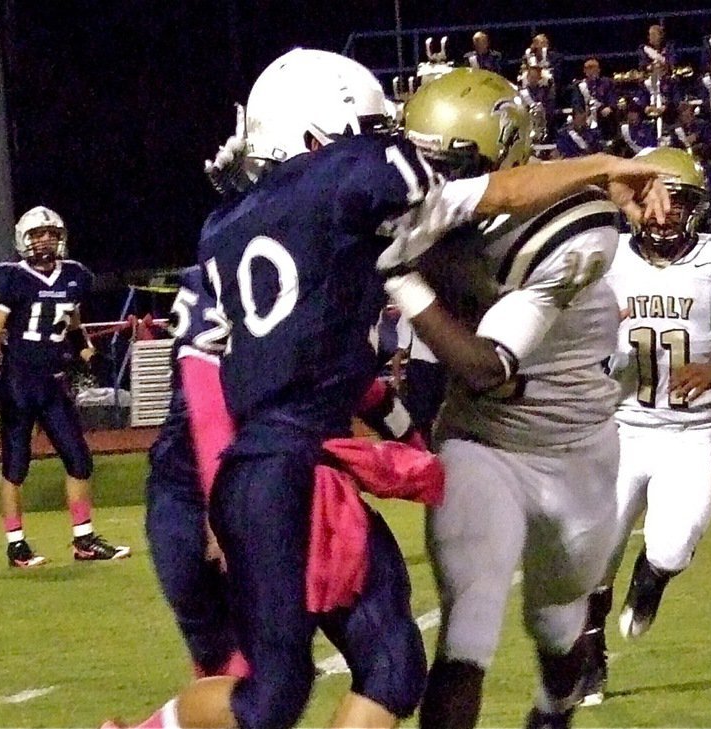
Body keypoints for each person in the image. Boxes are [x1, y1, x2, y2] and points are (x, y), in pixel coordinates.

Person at [120, 53, 670, 729]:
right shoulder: (339, 195)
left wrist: (602, 168)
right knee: (261, 692)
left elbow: (357, 373)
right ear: (319, 141)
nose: (389, 146)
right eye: (369, 131)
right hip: (228, 475)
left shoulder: (242, 232)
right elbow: (206, 391)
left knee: (389, 665)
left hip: (284, 466)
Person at [398, 68, 670, 729]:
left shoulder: (568, 230)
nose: (424, 177)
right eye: (419, 158)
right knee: (467, 626)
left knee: (557, 624)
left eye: (446, 163)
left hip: (574, 448)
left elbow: (489, 365)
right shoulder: (415, 214)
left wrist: (397, 277)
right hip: (481, 440)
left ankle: (553, 712)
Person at [142, 265, 441, 728]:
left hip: (308, 486)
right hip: (205, 498)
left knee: (392, 665)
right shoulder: (226, 269)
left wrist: (419, 452)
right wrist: (219, 508)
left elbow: (360, 386)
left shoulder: (337, 269)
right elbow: (208, 403)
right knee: (264, 691)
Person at [578, 147, 711, 706]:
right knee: (594, 554)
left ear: (698, 208)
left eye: (677, 202)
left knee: (670, 545)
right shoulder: (604, 257)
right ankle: (590, 657)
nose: (662, 214)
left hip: (689, 433)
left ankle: (653, 578)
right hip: (616, 428)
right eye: (649, 202)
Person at [0, 206, 130, 568]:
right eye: (36, 234)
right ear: (23, 240)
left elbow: (73, 324)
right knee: (15, 469)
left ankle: (84, 539)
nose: (44, 240)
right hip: (18, 383)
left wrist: (87, 352)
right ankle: (16, 544)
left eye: (50, 233)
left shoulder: (74, 276)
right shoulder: (11, 278)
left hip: (53, 383)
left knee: (79, 461)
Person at [393, 311, 446, 439]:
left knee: (439, 415)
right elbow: (399, 351)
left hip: (441, 367)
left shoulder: (447, 310)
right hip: (421, 368)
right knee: (420, 416)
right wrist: (397, 378)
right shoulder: (410, 312)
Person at [569, 58, 617, 135]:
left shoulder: (607, 83)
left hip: (602, 113)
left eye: (594, 69)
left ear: (599, 70)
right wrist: (582, 114)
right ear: (584, 71)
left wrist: (610, 107)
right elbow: (576, 102)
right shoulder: (580, 85)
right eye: (589, 69)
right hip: (586, 114)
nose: (591, 72)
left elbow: (612, 97)